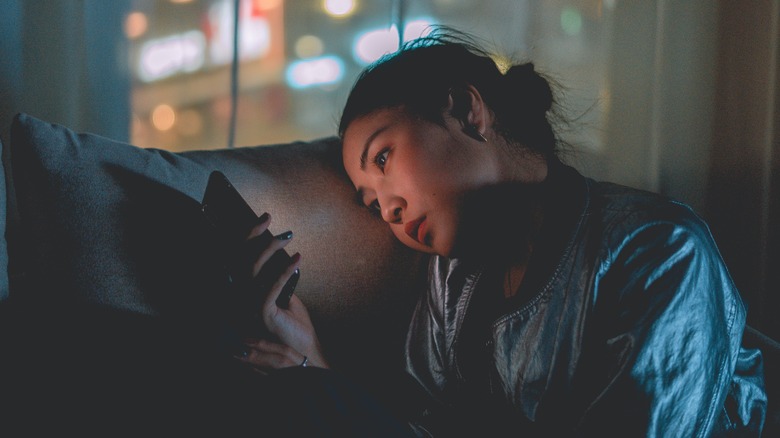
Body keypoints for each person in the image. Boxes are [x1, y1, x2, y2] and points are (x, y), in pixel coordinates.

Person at [234, 28, 768, 436]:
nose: (390, 211)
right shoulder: (451, 284)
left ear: (467, 111)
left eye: (384, 157)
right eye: (371, 204)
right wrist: (314, 365)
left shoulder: (658, 250)